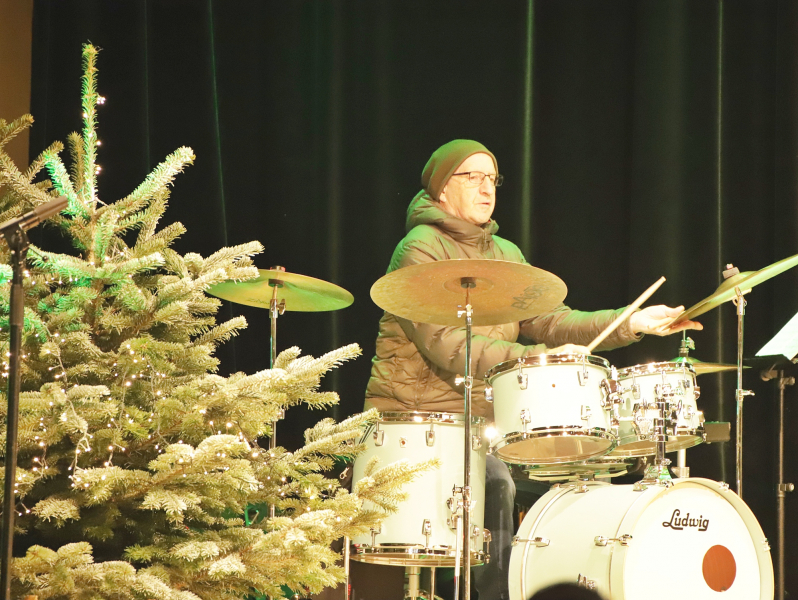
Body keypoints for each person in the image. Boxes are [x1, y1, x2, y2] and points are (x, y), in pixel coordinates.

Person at [364, 139, 700, 600]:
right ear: (441, 188)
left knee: (584, 474)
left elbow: (553, 321)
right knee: (495, 481)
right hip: (421, 422)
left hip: (486, 424)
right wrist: (532, 358)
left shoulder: (505, 253)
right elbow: (449, 345)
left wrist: (631, 322)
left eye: (492, 178)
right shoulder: (419, 248)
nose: (487, 188)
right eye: (472, 177)